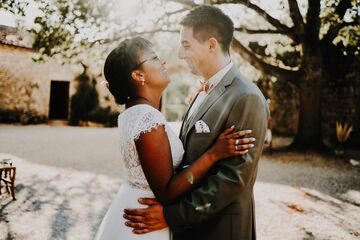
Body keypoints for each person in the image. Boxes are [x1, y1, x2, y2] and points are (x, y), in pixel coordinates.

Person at [123, 5, 269, 240]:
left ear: (211, 44)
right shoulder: (203, 89)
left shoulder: (246, 97)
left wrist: (172, 216)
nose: (180, 54)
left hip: (220, 229)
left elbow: (233, 179)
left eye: (186, 44)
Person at [94, 37, 255, 240]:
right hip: (144, 222)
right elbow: (167, 192)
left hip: (134, 207)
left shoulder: (133, 113)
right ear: (138, 75)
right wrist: (214, 154)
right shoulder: (146, 117)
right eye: (153, 58)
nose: (162, 62)